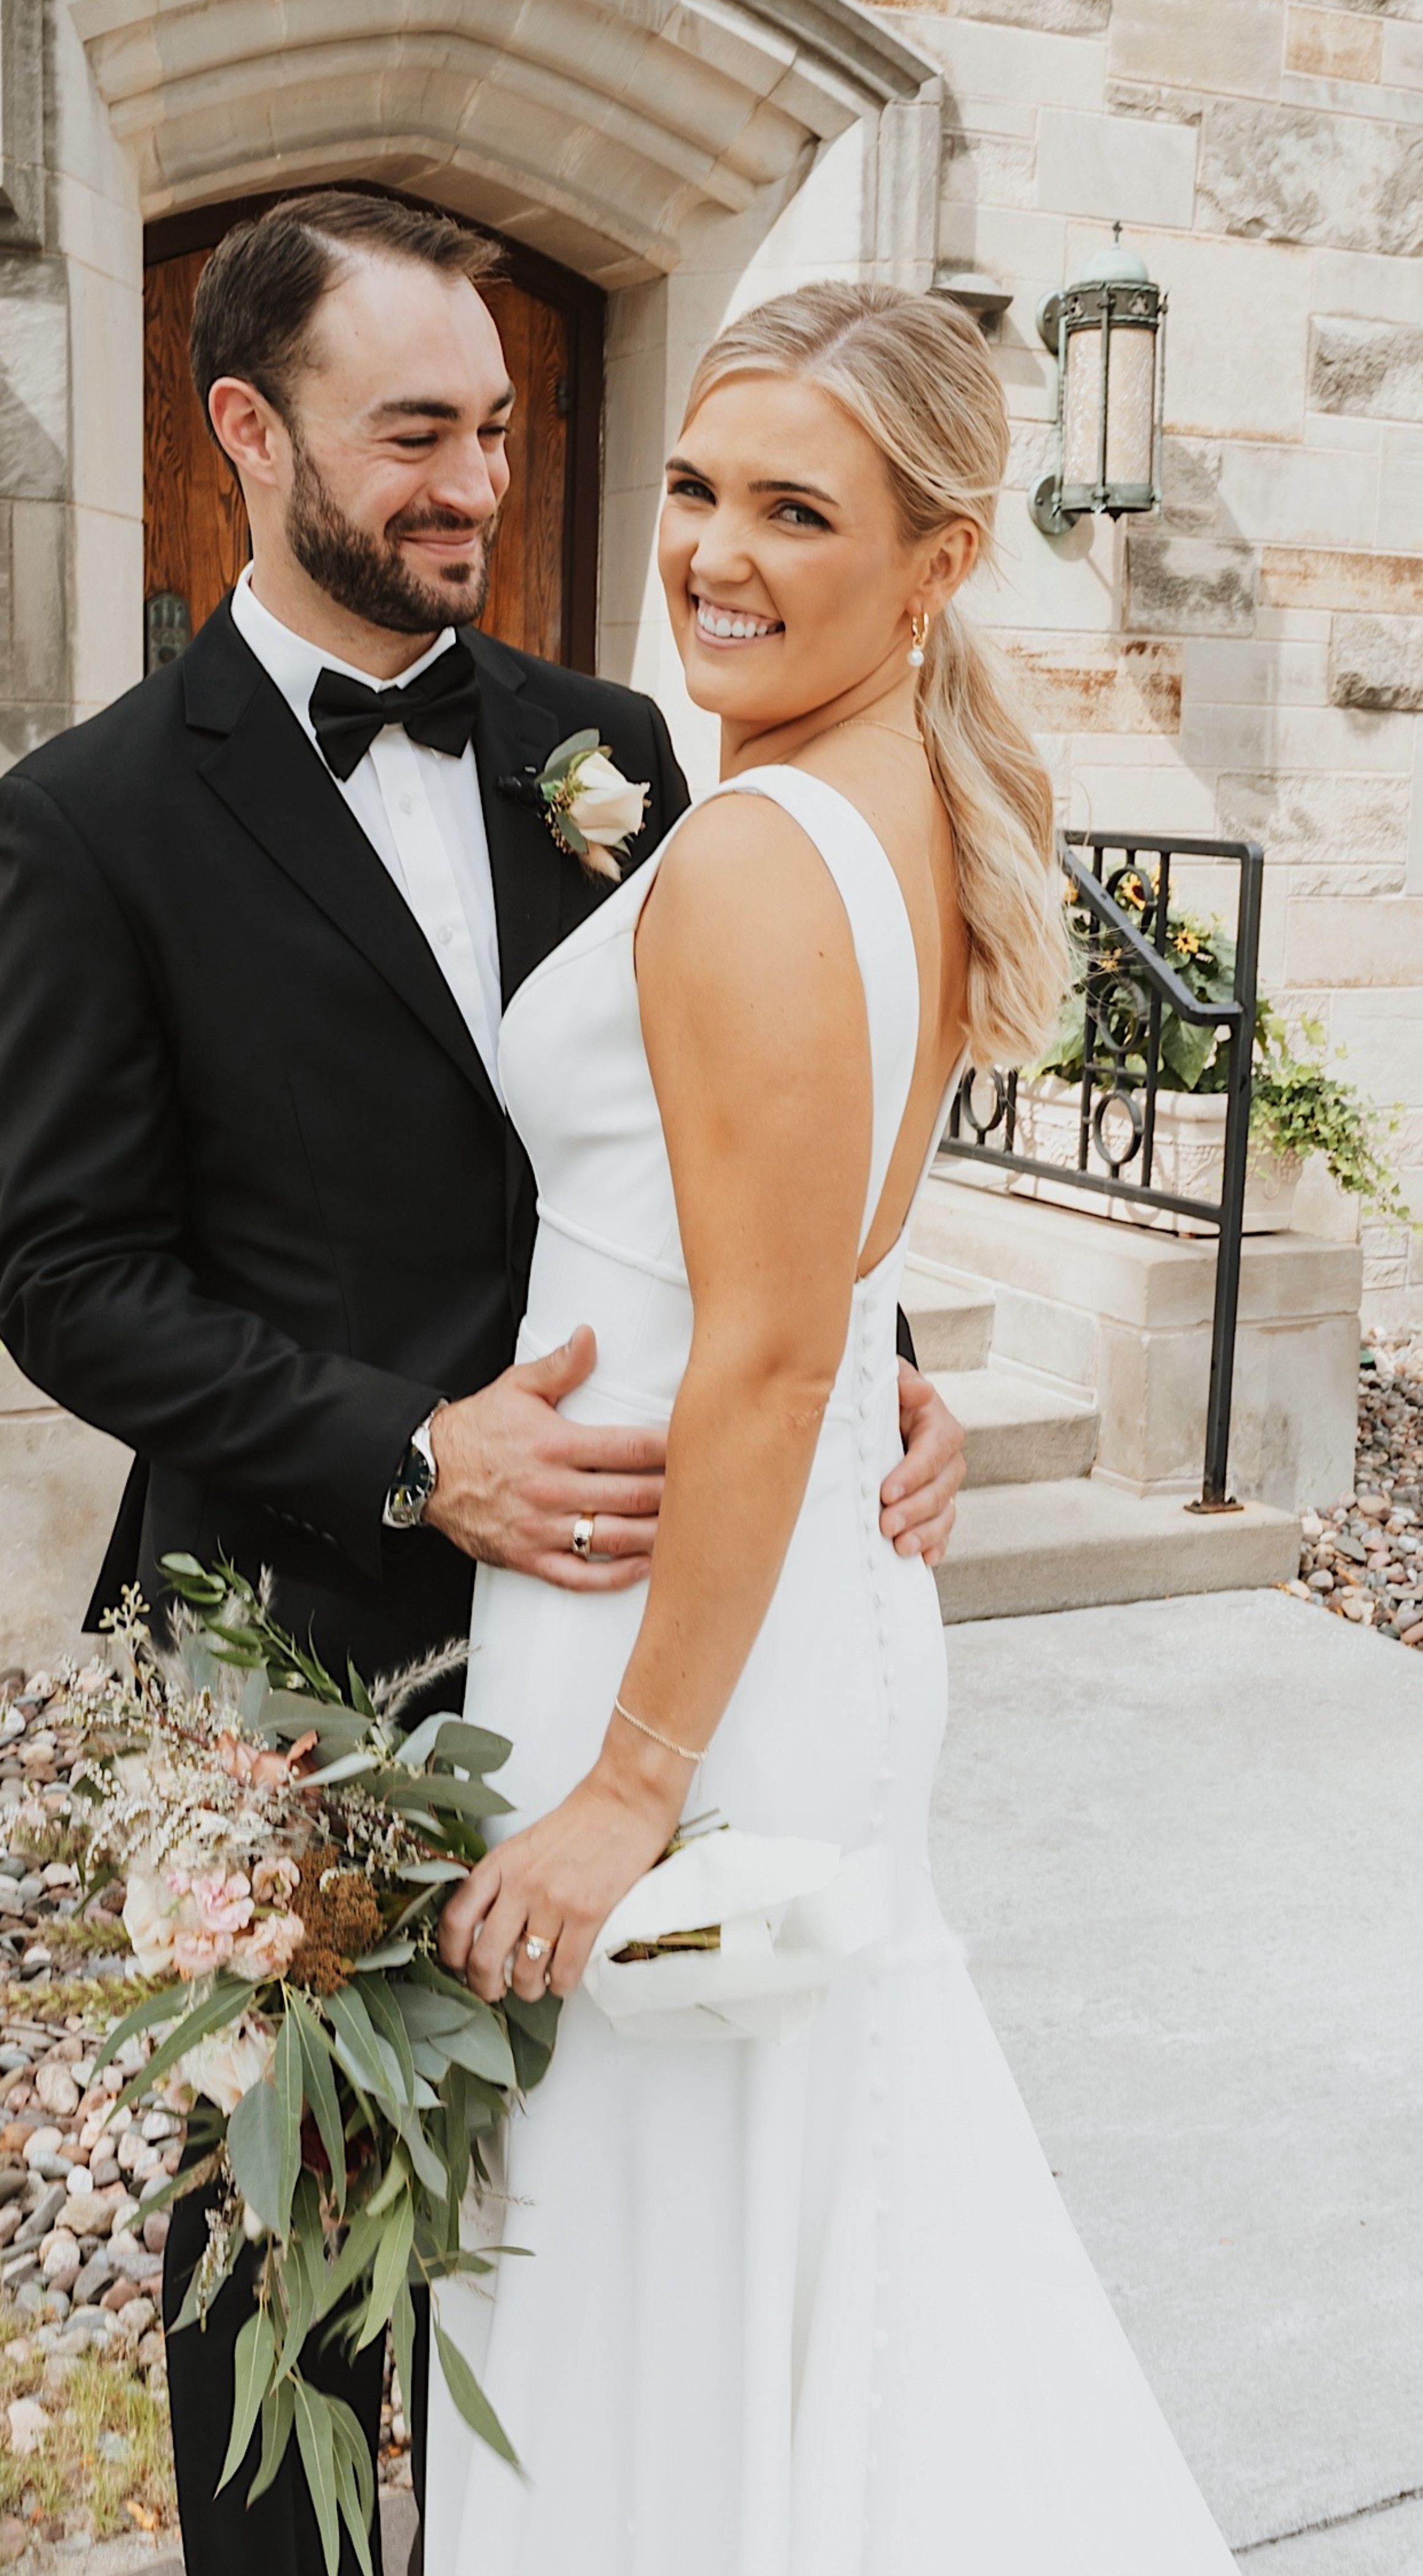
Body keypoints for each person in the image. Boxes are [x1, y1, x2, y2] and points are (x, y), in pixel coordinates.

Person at [0, 196, 969, 2575]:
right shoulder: (89, 820)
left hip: (644, 1624)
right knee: (296, 2292)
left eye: (500, 433)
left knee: (593, 2277)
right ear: (250, 427)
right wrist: (420, 1450)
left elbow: (741, 1139)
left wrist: (875, 1363)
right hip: (289, 1661)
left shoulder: (613, 751)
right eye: (414, 431)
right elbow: (70, 1274)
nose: (478, 486)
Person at [421, 282, 1237, 2571]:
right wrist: (878, 1360)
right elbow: (813, 1290)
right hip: (769, 1591)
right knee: (792, 2226)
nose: (713, 552)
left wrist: (622, 1789)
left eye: (797, 509)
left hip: (682, 1641)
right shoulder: (853, 796)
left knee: (662, 2247)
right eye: (694, 488)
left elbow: (768, 1354)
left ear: (939, 556)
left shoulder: (767, 855)